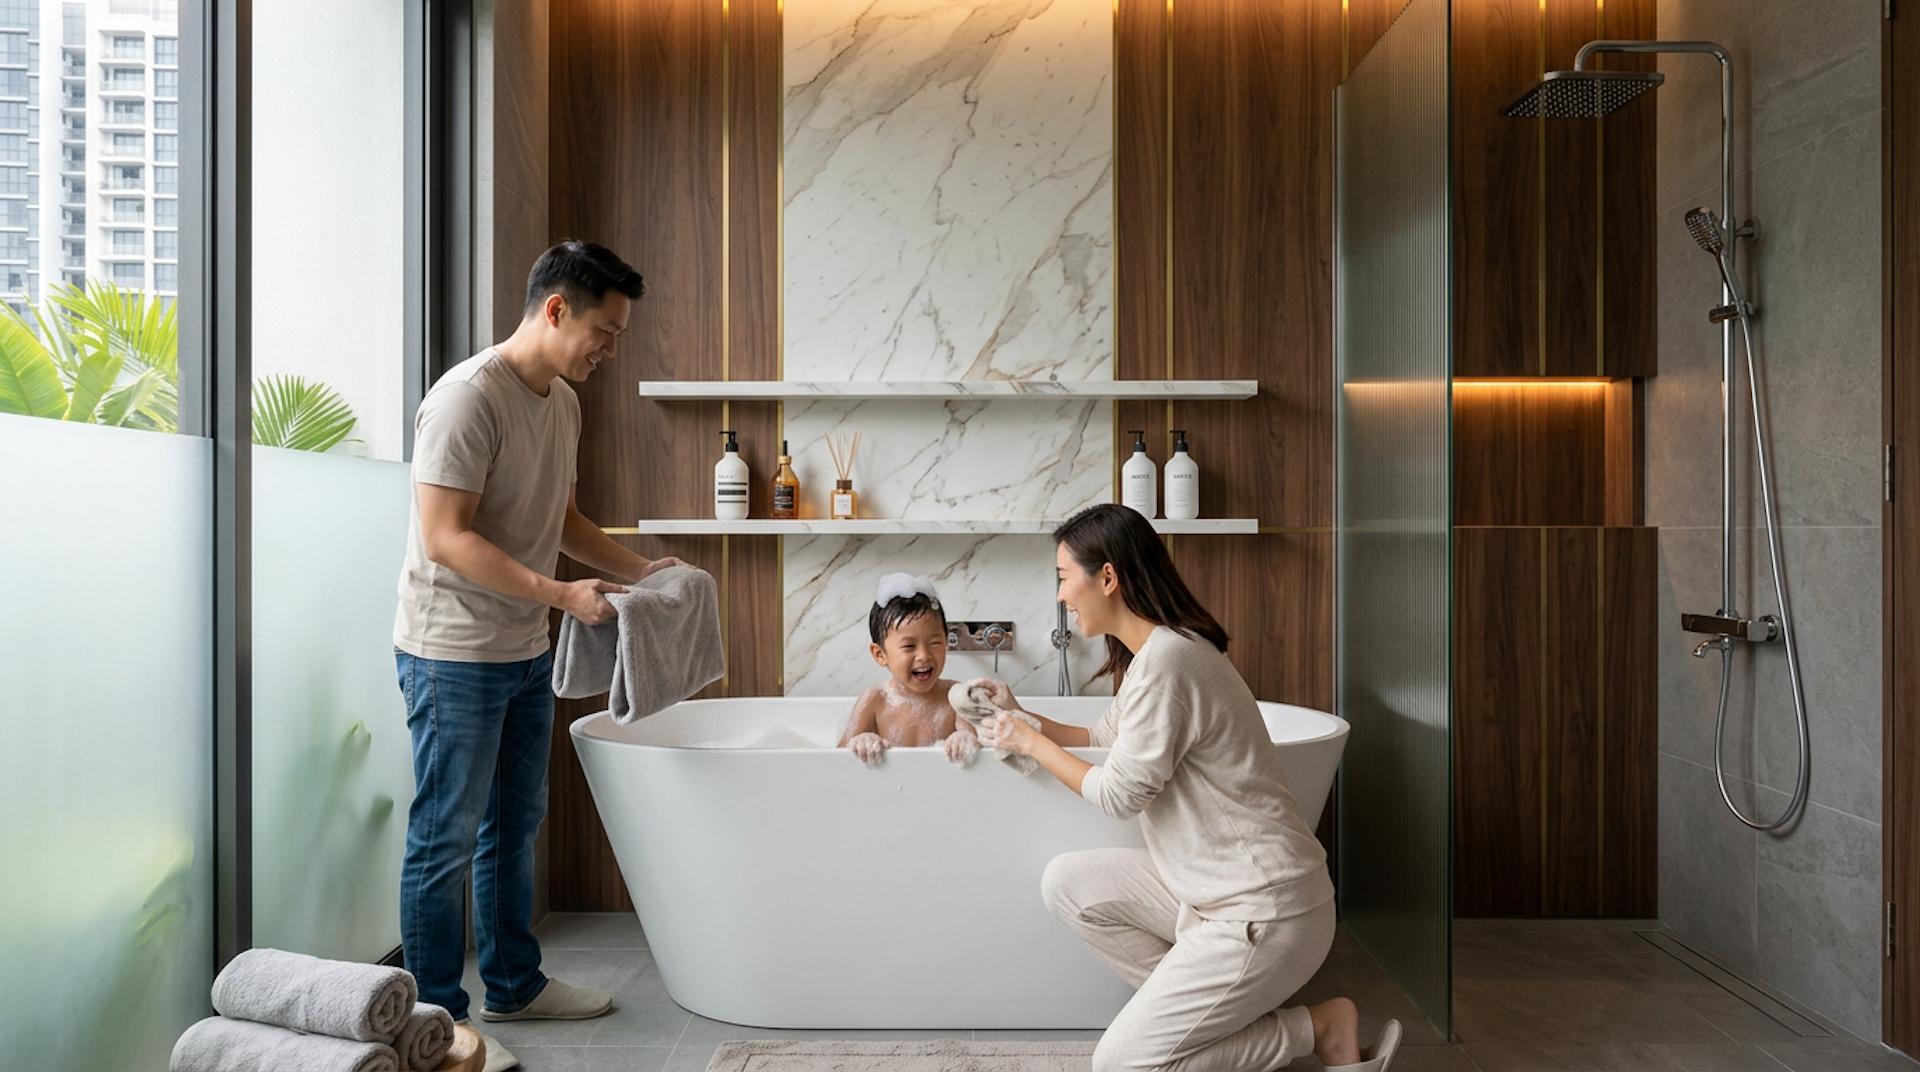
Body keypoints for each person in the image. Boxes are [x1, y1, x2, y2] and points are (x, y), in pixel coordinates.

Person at [393, 241, 693, 1070]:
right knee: (445, 835)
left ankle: (515, 985)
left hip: (523, 645)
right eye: (604, 329)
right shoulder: (465, 400)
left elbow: (560, 519)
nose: (610, 346)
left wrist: (640, 570)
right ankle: (431, 1019)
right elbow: (447, 539)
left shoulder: (561, 401)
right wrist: (564, 597)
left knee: (514, 824)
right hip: (451, 650)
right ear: (555, 309)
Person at [974, 504, 1400, 1072]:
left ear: (1107, 577)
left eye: (1062, 578)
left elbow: (1119, 795)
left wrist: (1030, 746)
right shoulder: (1159, 653)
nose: (1060, 596)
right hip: (1212, 891)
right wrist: (1023, 715)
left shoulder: (1169, 661)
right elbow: (1102, 736)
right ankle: (1208, 1019)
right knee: (1069, 884)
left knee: (1122, 1066)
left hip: (1265, 910)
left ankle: (1316, 1028)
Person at [838, 573, 980, 767]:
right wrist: (861, 741)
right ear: (880, 654)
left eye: (935, 643)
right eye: (909, 646)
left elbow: (977, 747)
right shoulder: (875, 700)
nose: (923, 655)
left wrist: (964, 739)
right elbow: (836, 758)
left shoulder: (955, 696)